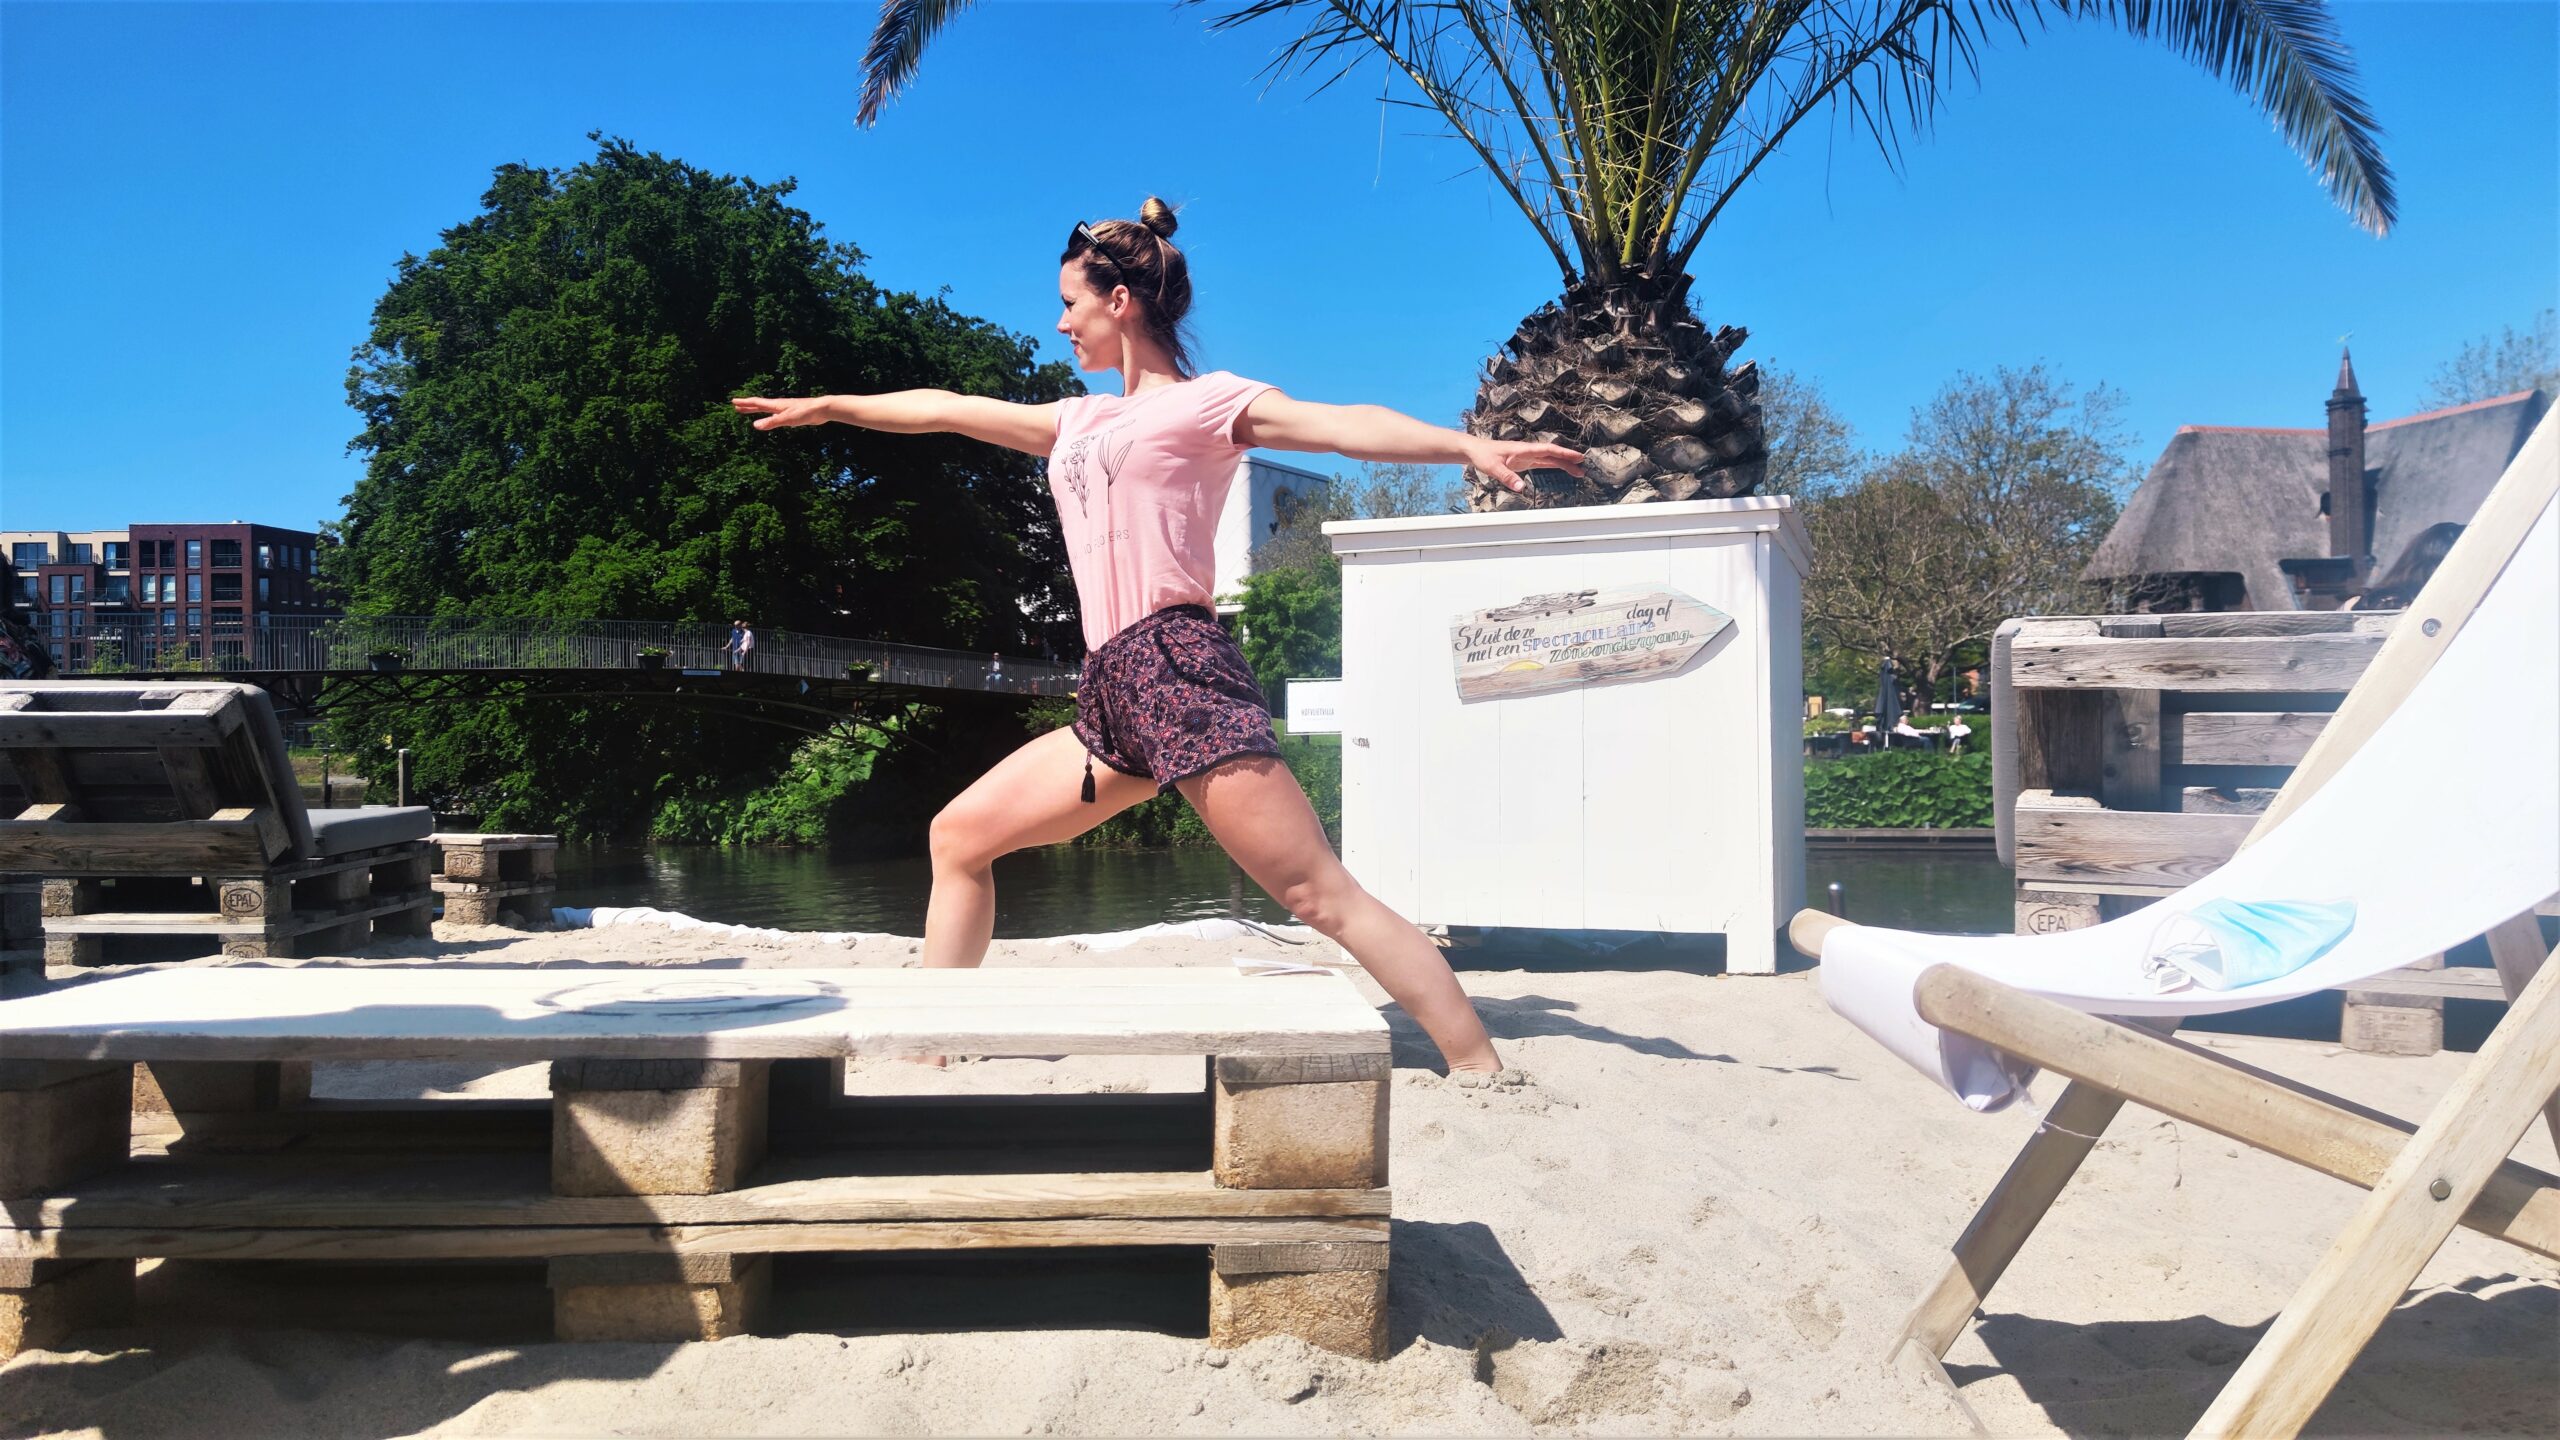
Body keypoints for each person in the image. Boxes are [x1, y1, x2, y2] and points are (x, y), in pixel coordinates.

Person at [732, 198, 1581, 1074]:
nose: (1061, 324)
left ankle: (1479, 1066)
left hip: (1179, 670)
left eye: (1072, 304)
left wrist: (1467, 445)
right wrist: (834, 405)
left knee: (1315, 894)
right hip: (1109, 690)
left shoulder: (1210, 405)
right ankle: (932, 1048)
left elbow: (1344, 424)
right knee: (959, 836)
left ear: (1121, 301)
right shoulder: (1077, 421)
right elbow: (948, 408)